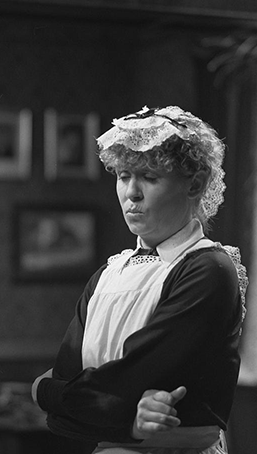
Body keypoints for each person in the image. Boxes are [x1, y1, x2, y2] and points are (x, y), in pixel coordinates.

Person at [32, 105, 248, 454]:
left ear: (194, 184)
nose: (132, 193)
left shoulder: (207, 269)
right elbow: (70, 387)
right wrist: (124, 418)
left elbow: (128, 380)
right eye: (123, 176)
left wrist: (42, 392)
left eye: (149, 177)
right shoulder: (109, 273)